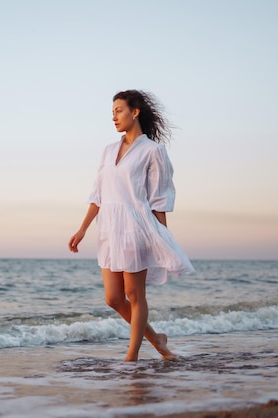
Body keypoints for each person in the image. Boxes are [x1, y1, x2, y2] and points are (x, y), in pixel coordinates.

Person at [68, 89, 195, 362]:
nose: (114, 117)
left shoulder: (153, 151)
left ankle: (132, 356)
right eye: (112, 112)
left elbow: (160, 198)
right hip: (108, 229)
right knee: (113, 298)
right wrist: (82, 229)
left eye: (119, 111)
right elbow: (97, 195)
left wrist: (162, 234)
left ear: (134, 111)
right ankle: (158, 341)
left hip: (135, 225)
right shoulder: (108, 151)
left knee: (134, 294)